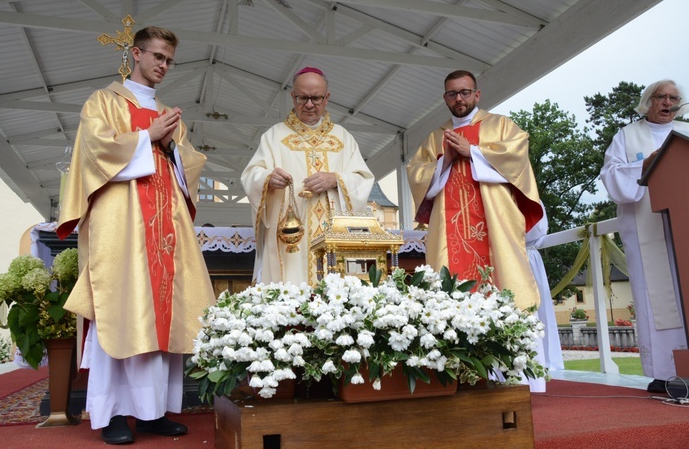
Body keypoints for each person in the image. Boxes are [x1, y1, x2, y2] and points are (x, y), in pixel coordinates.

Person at [56, 26, 217, 444]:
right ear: (136, 53)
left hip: (166, 228)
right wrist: (148, 137)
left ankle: (151, 413)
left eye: (169, 60)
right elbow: (94, 149)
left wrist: (173, 148)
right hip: (123, 224)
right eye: (158, 57)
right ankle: (111, 415)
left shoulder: (167, 112)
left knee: (163, 315)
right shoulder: (104, 102)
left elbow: (190, 163)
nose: (164, 66)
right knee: (121, 308)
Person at [406, 70, 543, 310]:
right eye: (452, 94)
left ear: (476, 95)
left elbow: (516, 159)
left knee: (501, 287)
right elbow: (416, 174)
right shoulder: (435, 137)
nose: (459, 98)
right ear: (445, 98)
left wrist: (474, 152)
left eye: (465, 92)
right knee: (450, 297)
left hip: (493, 225)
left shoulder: (501, 126)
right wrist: (444, 161)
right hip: (451, 231)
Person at [600, 79, 689, 393]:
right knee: (656, 295)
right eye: (661, 97)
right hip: (649, 231)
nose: (668, 102)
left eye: (674, 97)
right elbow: (610, 175)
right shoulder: (628, 136)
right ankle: (663, 372)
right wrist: (642, 164)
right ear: (648, 101)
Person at [241, 67, 374, 284]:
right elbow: (251, 175)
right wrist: (268, 180)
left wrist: (336, 179)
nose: (309, 105)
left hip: (333, 238)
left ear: (327, 98)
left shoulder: (343, 138)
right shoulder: (274, 136)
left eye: (316, 98)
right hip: (290, 240)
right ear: (293, 97)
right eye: (303, 98)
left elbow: (363, 178)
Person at [527, 203, 564, 372]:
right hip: (518, 254)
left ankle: (543, 359)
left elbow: (538, 228)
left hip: (526, 255)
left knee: (537, 311)